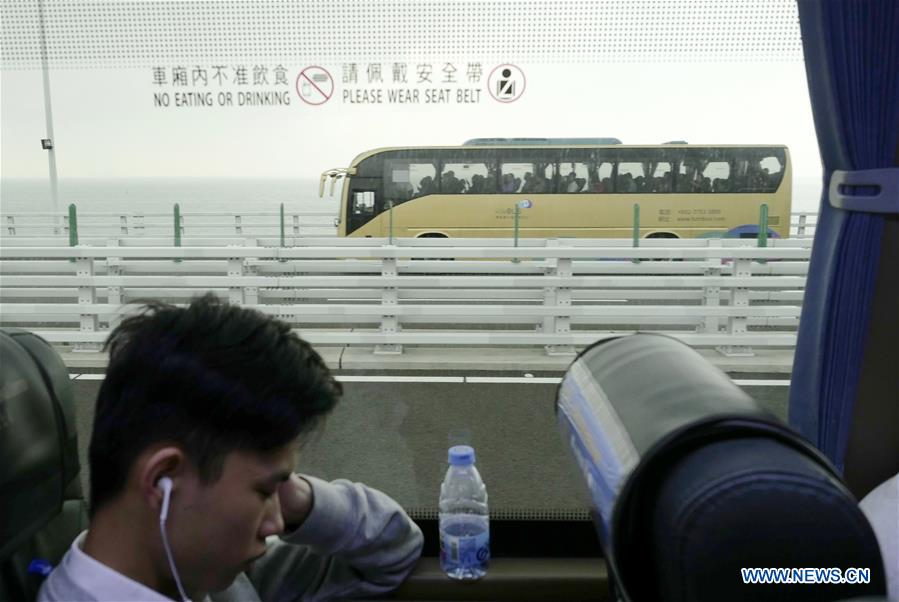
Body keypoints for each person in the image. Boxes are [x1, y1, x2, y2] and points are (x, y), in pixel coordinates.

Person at [38, 294, 423, 602]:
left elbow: (393, 550)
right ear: (162, 481)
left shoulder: (206, 574)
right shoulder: (207, 566)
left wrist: (296, 497)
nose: (277, 524)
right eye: (263, 491)